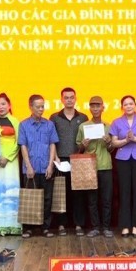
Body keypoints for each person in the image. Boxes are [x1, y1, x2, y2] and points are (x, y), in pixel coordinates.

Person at [110, 95, 136, 238]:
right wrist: (126, 140)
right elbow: (114, 143)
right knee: (124, 192)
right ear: (122, 107)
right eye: (126, 104)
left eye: (131, 104)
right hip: (123, 159)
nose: (128, 106)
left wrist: (134, 139)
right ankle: (125, 225)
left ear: (135, 105)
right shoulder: (116, 122)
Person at [18, 94, 59, 238]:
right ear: (30, 107)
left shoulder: (49, 124)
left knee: (47, 199)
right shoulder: (23, 125)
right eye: (38, 106)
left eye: (43, 106)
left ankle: (45, 228)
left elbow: (52, 144)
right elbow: (23, 146)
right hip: (31, 168)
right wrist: (28, 166)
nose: (41, 109)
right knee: (30, 197)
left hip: (45, 167)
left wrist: (50, 165)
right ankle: (28, 228)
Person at [50, 87, 89, 236]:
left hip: (79, 159)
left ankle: (79, 224)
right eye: (66, 97)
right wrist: (55, 158)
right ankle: (61, 224)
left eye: (72, 97)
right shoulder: (54, 117)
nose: (69, 100)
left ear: (76, 98)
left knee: (78, 194)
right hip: (60, 160)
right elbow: (51, 139)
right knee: (61, 193)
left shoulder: (83, 117)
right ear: (61, 99)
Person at [76, 96, 114, 238]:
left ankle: (106, 227)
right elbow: (78, 148)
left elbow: (111, 149)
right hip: (89, 166)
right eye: (93, 106)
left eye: (98, 106)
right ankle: (95, 227)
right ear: (89, 108)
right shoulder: (83, 126)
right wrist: (83, 145)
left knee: (106, 199)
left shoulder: (108, 126)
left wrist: (109, 142)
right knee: (92, 200)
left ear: (103, 108)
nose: (96, 108)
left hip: (105, 166)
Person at [0, 93, 21, 236]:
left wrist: (8, 157)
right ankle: (0, 225)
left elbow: (19, 143)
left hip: (11, 160)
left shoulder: (15, 121)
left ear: (9, 105)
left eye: (3, 104)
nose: (1, 107)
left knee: (12, 190)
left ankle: (14, 225)